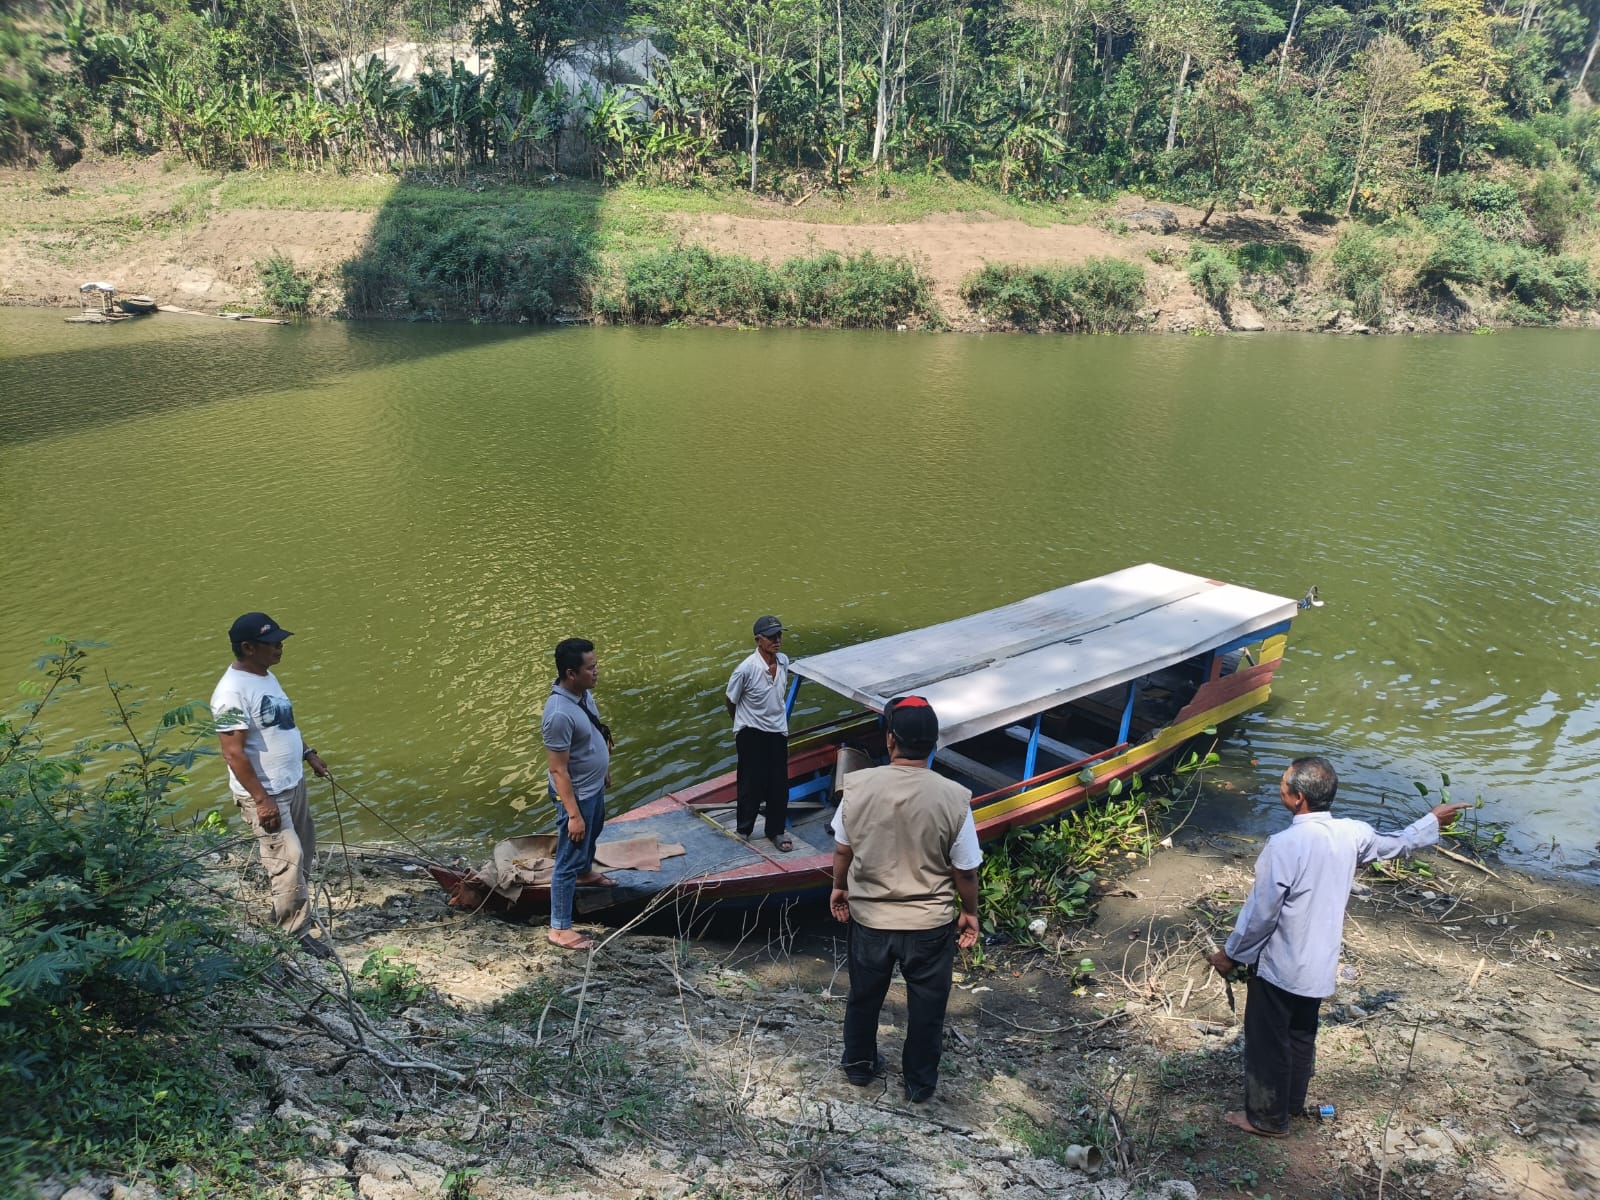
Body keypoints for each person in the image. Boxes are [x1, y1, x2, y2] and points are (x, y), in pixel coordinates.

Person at [1207, 756, 1469, 1136]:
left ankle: (1265, 1119)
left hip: (1281, 964)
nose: (1280, 788)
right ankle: (1291, 1105)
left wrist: (1230, 955)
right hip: (1319, 963)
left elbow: (1261, 914)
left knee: (1268, 1044)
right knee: (1300, 1036)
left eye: (1283, 784)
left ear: (1297, 798)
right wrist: (1431, 820)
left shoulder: (1284, 844)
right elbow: (1395, 844)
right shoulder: (1352, 833)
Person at [830, 695, 982, 1103]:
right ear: (934, 744)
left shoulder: (857, 787)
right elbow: (965, 869)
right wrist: (970, 911)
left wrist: (839, 886)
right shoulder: (954, 797)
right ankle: (918, 1084)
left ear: (890, 740)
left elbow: (843, 848)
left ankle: (859, 1066)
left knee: (864, 997)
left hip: (871, 920)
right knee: (927, 1008)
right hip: (929, 926)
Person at [210, 612, 335, 960]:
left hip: (292, 782)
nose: (280, 647)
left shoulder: (265, 676)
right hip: (266, 794)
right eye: (273, 643)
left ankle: (286, 911)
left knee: (303, 852)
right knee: (288, 859)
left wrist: (308, 753)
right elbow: (232, 753)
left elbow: (282, 725)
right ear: (248, 648)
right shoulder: (229, 693)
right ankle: (293, 936)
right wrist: (262, 800)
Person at [541, 637, 614, 951]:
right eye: (591, 668)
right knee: (567, 859)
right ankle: (559, 928)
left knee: (594, 829)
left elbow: (593, 733)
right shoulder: (558, 714)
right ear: (571, 674)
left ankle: (586, 872)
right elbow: (558, 770)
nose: (596, 672)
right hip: (575, 794)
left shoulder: (582, 695)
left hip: (592, 785)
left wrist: (604, 768)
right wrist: (573, 815)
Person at [725, 614, 792, 850]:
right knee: (750, 782)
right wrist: (740, 724)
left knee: (778, 783)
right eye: (771, 636)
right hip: (751, 732)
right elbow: (731, 700)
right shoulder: (746, 669)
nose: (777, 640)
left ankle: (776, 830)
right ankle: (744, 829)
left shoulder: (783, 661)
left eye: (779, 635)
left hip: (776, 730)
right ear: (758, 640)